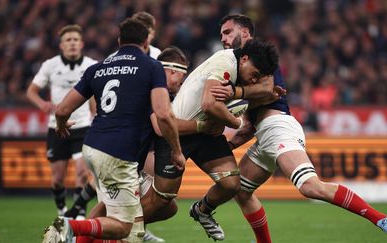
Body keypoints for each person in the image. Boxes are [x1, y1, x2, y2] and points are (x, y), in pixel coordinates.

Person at [214, 14, 387, 243]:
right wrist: (227, 145)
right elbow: (249, 126)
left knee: (310, 186)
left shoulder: (258, 57)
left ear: (244, 32)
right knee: (241, 191)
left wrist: (234, 94)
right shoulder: (238, 65)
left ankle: (382, 219)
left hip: (278, 128)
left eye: (227, 32)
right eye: (221, 33)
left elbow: (268, 90)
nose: (223, 38)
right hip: (264, 135)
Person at [42, 18, 185, 243]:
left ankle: (79, 231)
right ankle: (69, 226)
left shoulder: (97, 68)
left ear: (119, 41)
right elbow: (163, 114)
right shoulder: (151, 66)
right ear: (146, 41)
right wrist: (176, 151)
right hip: (119, 154)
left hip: (92, 146)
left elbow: (62, 110)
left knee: (133, 218)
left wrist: (60, 126)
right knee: (123, 227)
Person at [146, 39, 279, 241]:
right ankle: (119, 227)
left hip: (207, 133)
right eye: (254, 75)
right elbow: (209, 104)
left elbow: (268, 89)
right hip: (177, 133)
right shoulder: (225, 62)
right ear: (244, 59)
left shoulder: (243, 69)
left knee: (232, 184)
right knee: (161, 201)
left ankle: (202, 210)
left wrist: (249, 94)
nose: (254, 80)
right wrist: (235, 122)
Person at [26, 24, 97, 219]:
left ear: (81, 44)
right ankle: (62, 211)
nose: (72, 43)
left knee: (82, 173)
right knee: (57, 179)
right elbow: (31, 91)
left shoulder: (91, 65)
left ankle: (79, 214)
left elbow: (93, 94)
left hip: (83, 126)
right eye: (68, 40)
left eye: (75, 40)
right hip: (56, 127)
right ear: (61, 45)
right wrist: (42, 104)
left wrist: (95, 114)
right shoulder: (50, 65)